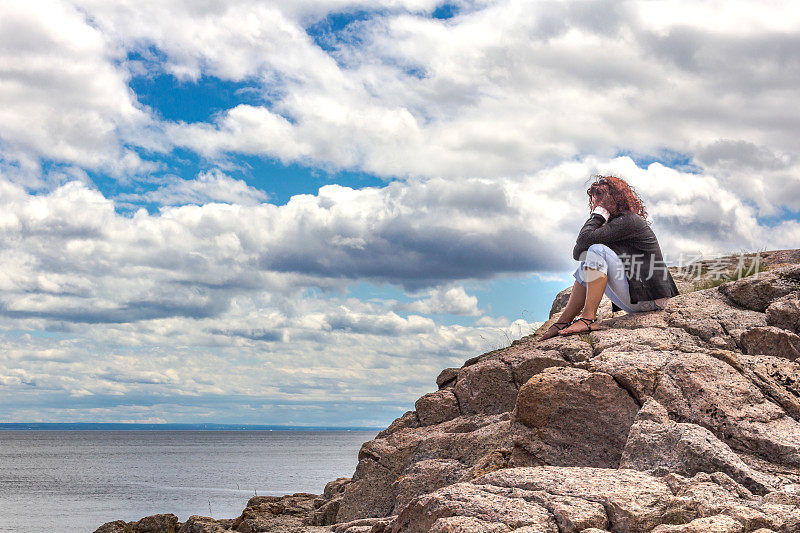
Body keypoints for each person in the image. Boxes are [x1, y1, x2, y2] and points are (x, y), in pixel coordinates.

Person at [539, 175, 680, 340]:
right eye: (595, 199)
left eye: (602, 198)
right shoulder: (613, 225)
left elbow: (585, 242)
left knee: (597, 250)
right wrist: (598, 220)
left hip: (652, 300)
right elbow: (578, 253)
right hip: (638, 300)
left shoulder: (629, 221)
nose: (598, 204)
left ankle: (588, 319)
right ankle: (563, 322)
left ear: (617, 198)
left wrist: (596, 217)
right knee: (589, 259)